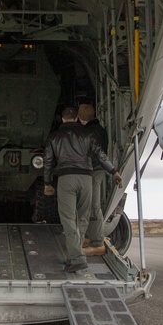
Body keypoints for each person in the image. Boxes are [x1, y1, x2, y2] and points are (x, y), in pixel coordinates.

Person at [43, 106, 118, 273]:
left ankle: (77, 258)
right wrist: (113, 171)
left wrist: (47, 183)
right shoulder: (88, 134)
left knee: (68, 218)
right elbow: (100, 155)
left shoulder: (54, 137)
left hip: (66, 178)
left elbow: (48, 161)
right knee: (83, 216)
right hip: (86, 178)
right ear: (76, 118)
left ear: (62, 119)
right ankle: (77, 249)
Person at [78, 104, 120, 257]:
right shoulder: (99, 129)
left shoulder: (89, 132)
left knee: (94, 206)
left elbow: (98, 154)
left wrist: (113, 170)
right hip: (95, 170)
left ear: (80, 118)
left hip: (93, 171)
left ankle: (97, 243)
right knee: (89, 205)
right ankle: (89, 238)